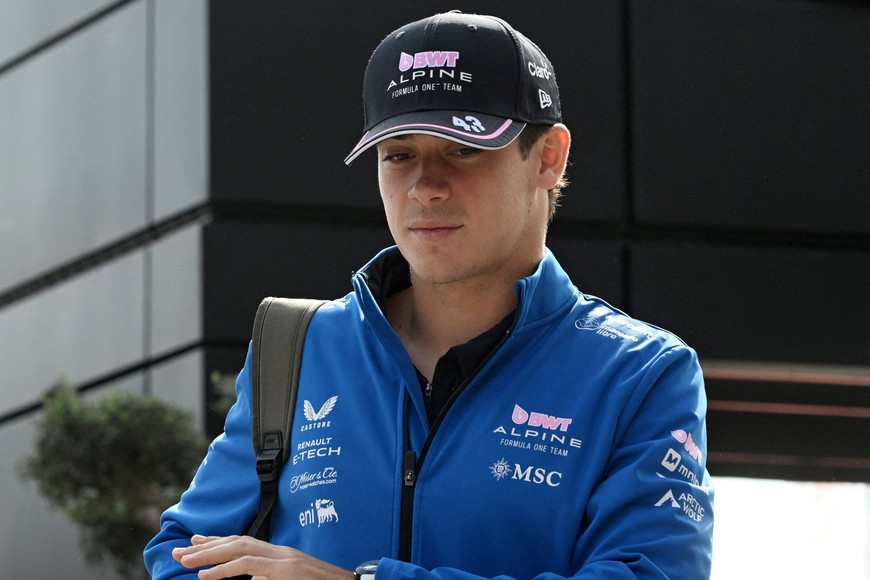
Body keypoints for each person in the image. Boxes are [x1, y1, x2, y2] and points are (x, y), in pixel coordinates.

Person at [145, 11, 713, 580]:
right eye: (399, 155)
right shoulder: (299, 348)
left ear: (548, 157)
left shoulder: (641, 374)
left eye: (463, 148)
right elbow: (182, 556)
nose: (425, 187)